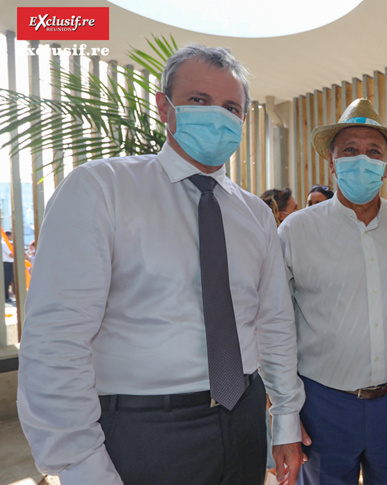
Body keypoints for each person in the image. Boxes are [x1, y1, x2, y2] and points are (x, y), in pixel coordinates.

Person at [17, 45, 305, 485]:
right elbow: (56, 340)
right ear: (163, 107)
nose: (217, 115)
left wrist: (284, 418)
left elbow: (275, 324)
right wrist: (80, 465)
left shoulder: (255, 214)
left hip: (244, 419)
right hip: (143, 430)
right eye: (198, 100)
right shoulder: (102, 190)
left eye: (231, 107)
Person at [278, 98, 387, 485]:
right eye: (350, 150)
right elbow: (277, 322)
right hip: (322, 403)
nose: (362, 160)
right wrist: (284, 408)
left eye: (374, 151)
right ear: (332, 161)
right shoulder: (296, 231)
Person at [3, 231, 13, 303]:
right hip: (7, 264)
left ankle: (6, 296)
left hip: (8, 263)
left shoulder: (7, 243)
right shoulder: (4, 243)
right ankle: (6, 297)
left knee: (8, 281)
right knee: (6, 281)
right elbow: (10, 255)